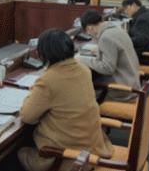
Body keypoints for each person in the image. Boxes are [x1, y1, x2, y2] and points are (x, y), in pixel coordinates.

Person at [18, 28, 113, 171]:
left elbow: (27, 116)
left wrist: (31, 94)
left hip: (69, 158)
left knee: (18, 154)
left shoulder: (48, 80)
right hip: (94, 147)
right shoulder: (84, 69)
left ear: (43, 54)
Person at [77, 10, 140, 102]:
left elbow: (107, 68)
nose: (90, 35)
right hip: (131, 82)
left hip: (123, 90)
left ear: (90, 28)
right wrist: (100, 50)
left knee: (81, 95)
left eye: (88, 32)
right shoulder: (117, 30)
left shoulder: (106, 37)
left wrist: (83, 60)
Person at [122, 0, 149, 65]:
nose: (125, 11)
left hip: (147, 58)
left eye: (126, 8)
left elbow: (142, 40)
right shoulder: (147, 13)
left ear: (134, 5)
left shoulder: (142, 19)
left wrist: (125, 39)